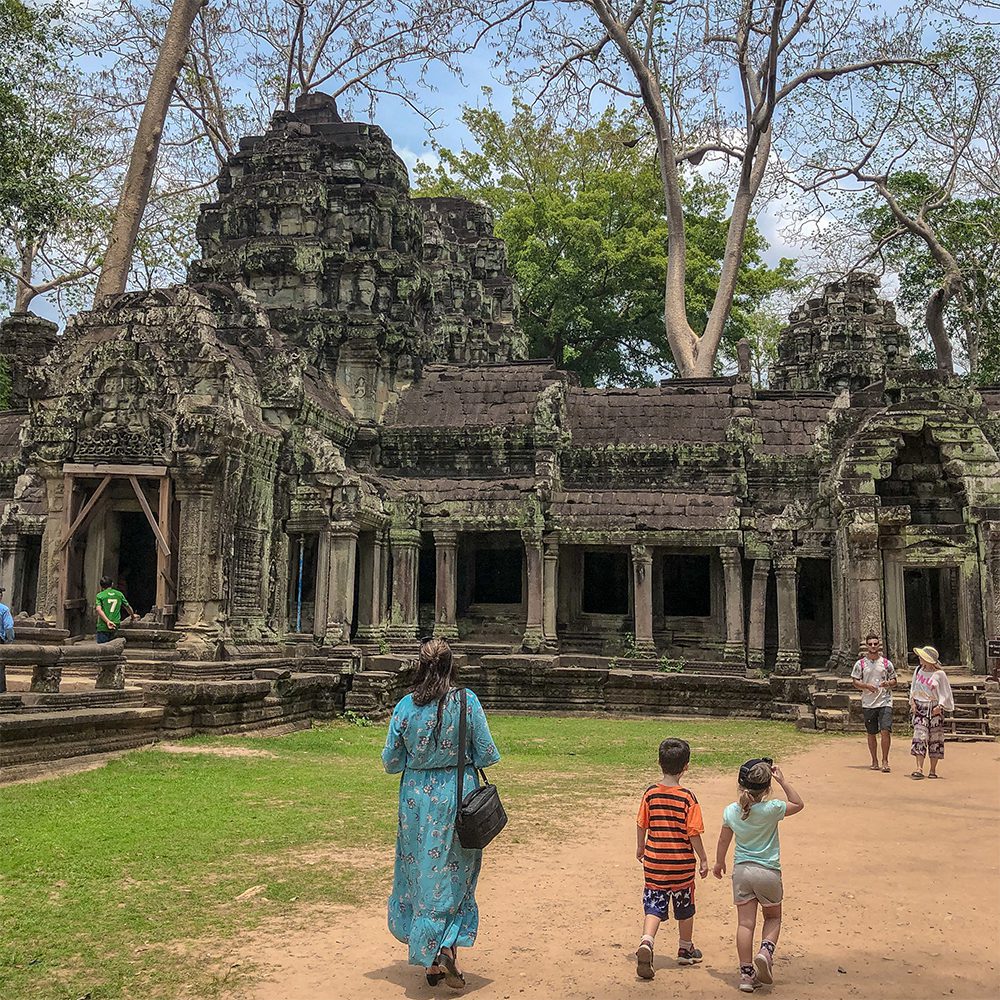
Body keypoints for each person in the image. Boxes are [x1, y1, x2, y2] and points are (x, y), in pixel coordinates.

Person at [382, 637, 500, 990]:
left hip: (416, 802)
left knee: (420, 873)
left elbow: (391, 762)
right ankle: (447, 946)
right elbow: (487, 753)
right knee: (457, 874)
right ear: (451, 666)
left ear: (420, 667)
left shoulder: (405, 707)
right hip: (457, 796)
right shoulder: (466, 702)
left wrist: (420, 758)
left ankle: (432, 956)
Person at [713, 759, 804, 993]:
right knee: (773, 917)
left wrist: (719, 862)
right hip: (768, 872)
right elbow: (798, 803)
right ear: (767, 788)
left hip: (742, 872)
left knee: (745, 923)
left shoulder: (731, 811)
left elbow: (724, 840)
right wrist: (782, 780)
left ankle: (745, 974)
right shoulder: (772, 809)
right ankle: (765, 951)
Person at [635, 737, 708, 980]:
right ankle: (685, 947)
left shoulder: (650, 794)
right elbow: (694, 833)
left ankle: (647, 941)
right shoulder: (688, 798)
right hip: (682, 865)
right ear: (686, 766)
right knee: (685, 908)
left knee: (654, 906)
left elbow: (641, 824)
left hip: (655, 862)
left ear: (659, 762)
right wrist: (704, 859)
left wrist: (640, 848)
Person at [850, 632, 897, 772]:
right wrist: (866, 686)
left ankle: (885, 760)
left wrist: (887, 683)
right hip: (868, 702)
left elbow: (894, 680)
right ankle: (874, 760)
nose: (873, 646)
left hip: (885, 700)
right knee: (871, 732)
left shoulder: (886, 663)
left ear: (879, 645)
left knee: (885, 730)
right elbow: (855, 681)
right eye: (870, 644)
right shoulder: (861, 664)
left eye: (875, 644)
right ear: (866, 645)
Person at [909, 645, 954, 779]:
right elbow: (913, 687)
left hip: (934, 708)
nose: (919, 659)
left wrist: (940, 706)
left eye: (922, 657)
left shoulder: (939, 675)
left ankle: (933, 770)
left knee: (935, 739)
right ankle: (919, 768)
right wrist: (912, 701)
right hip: (920, 707)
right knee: (920, 737)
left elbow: (946, 693)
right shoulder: (918, 671)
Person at [94, 575, 134, 643]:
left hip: (103, 626)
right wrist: (132, 616)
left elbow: (98, 609)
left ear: (101, 586)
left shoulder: (100, 595)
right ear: (112, 584)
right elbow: (127, 606)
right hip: (115, 624)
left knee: (102, 648)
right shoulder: (119, 594)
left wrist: (107, 621)